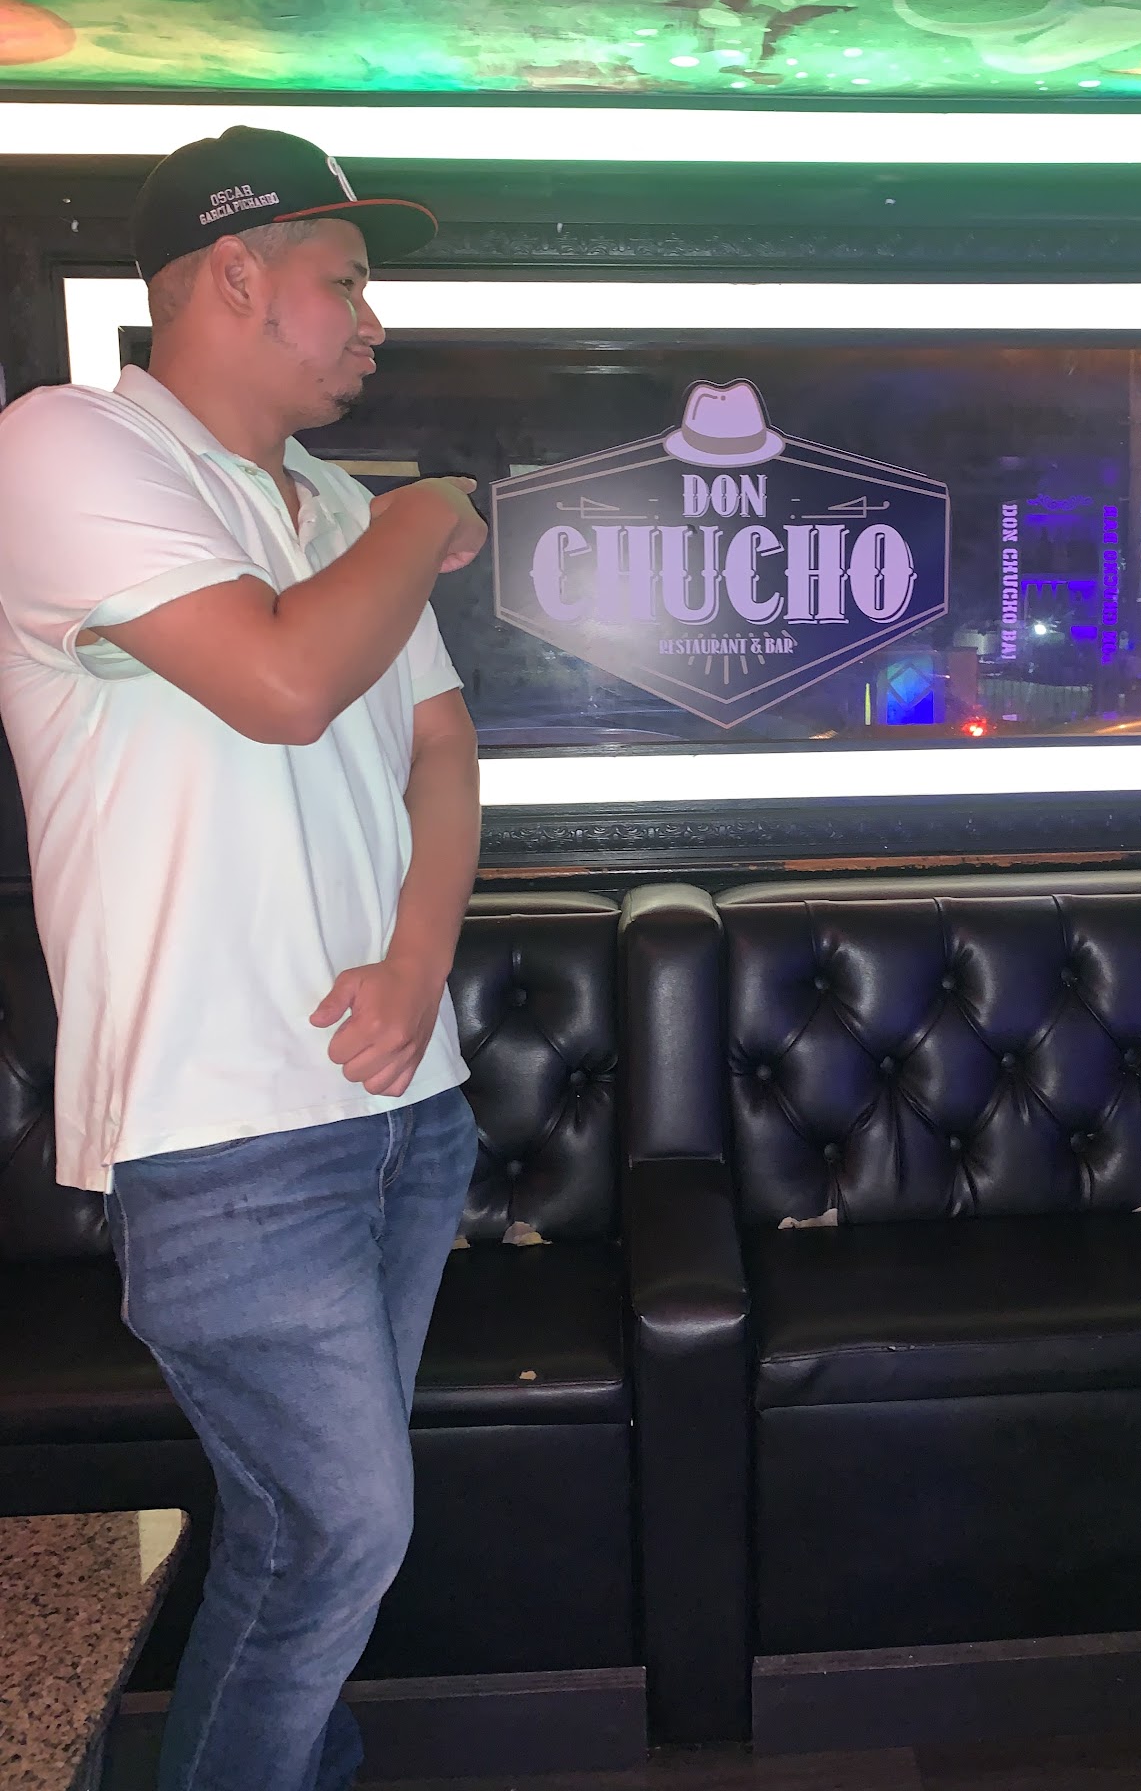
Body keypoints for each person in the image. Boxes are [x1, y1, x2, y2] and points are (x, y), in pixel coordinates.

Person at [0, 125, 491, 1791]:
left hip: (404, 1109)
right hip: (222, 1132)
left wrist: (416, 969)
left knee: (317, 1538)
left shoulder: (338, 508)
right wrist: (430, 511)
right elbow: (283, 684)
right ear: (232, 273)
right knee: (339, 1532)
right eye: (346, 281)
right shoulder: (62, 446)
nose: (373, 321)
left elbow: (441, 748)